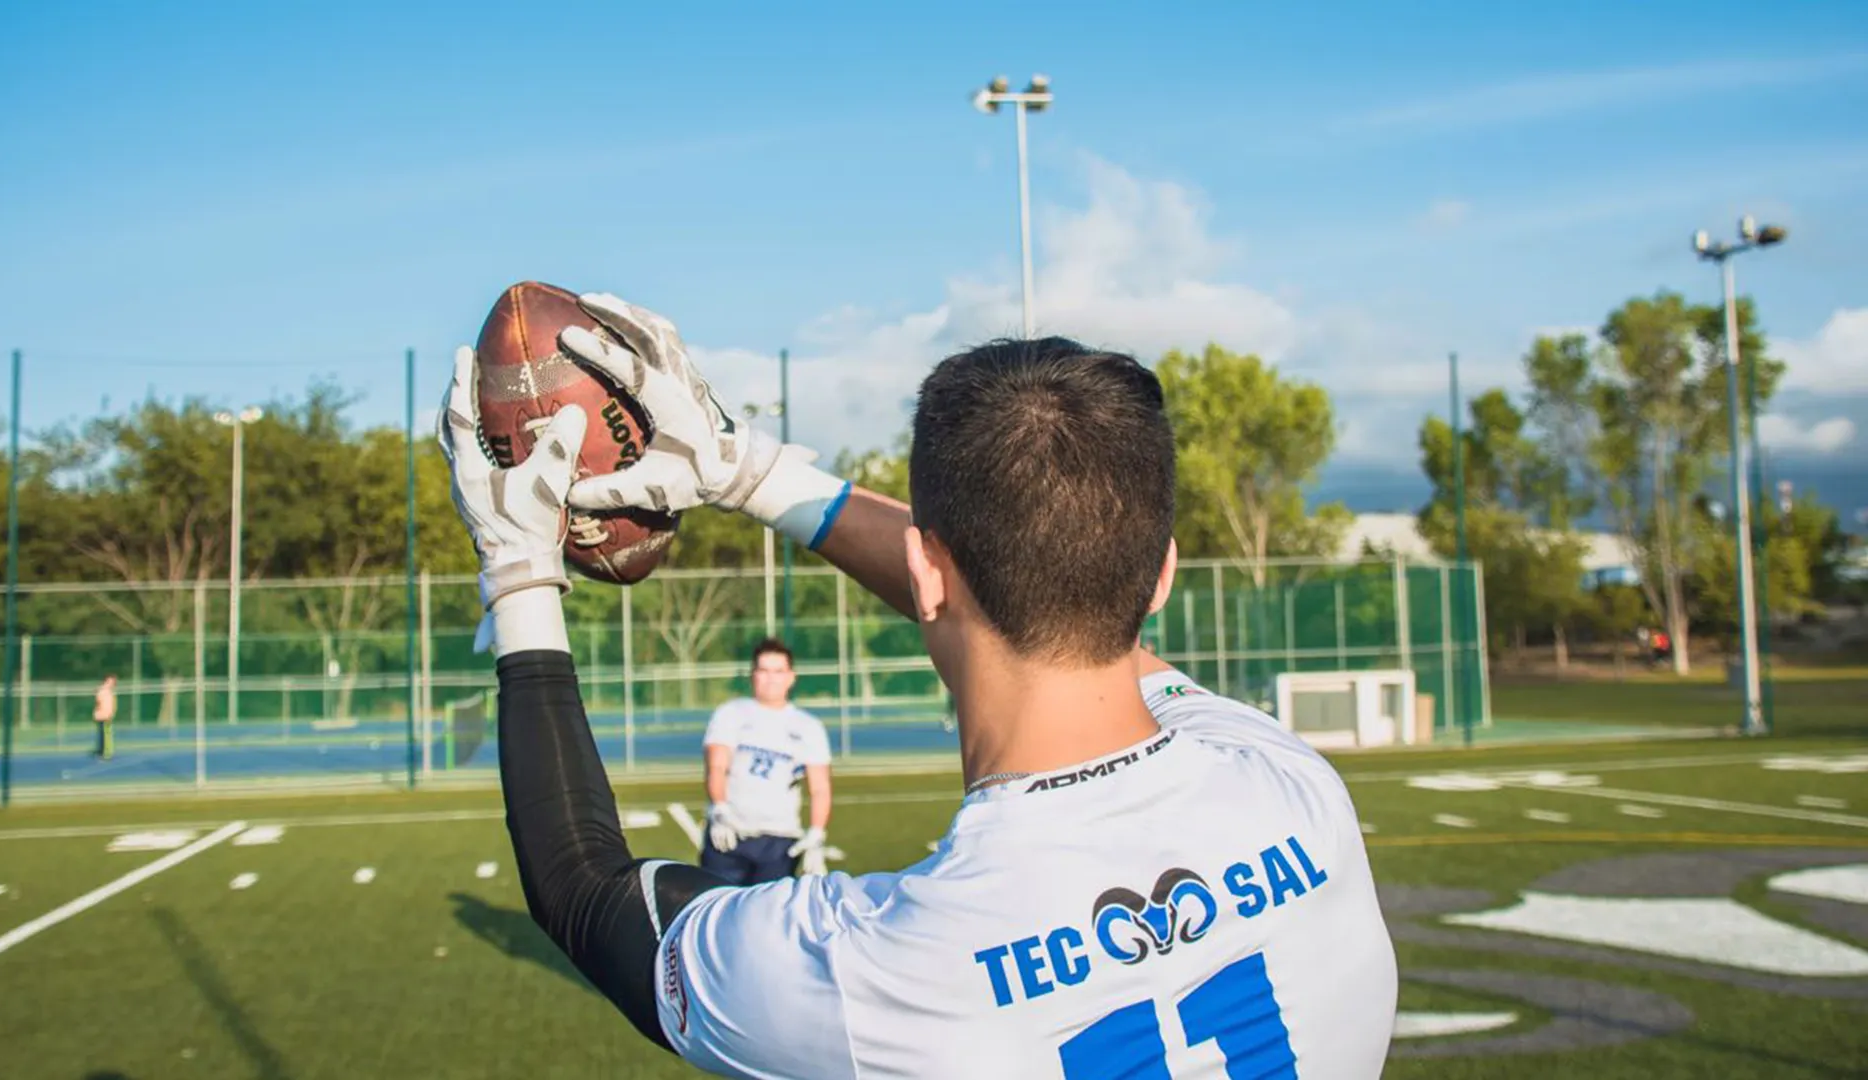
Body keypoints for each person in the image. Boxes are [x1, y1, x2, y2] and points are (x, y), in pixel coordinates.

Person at [438, 292, 1395, 1078]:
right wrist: (747, 472)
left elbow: (584, 892)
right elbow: (1044, 588)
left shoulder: (882, 973)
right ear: (1163, 574)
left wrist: (523, 571)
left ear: (923, 573)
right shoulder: (1295, 790)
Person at [700, 638, 834, 883]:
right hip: (730, 830)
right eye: (763, 670)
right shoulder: (731, 713)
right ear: (752, 675)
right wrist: (719, 808)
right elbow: (716, 766)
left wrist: (816, 833)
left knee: (767, 917)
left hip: (779, 839)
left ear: (791, 677)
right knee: (719, 910)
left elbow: (820, 787)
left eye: (778, 671)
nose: (771, 678)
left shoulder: (808, 727)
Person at [93, 674, 118, 761]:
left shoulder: (110, 692)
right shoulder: (103, 691)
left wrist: (112, 713)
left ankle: (104, 752)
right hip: (102, 716)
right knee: (104, 735)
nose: (113, 684)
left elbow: (112, 704)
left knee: (106, 735)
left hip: (107, 715)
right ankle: (104, 753)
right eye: (111, 682)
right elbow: (99, 702)